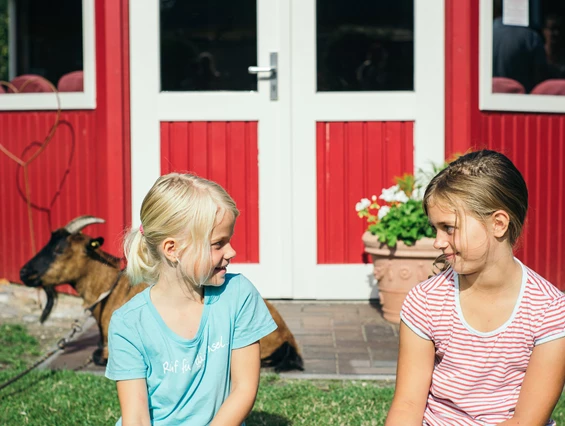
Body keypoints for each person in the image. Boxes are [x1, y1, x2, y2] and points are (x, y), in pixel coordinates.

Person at [385, 150, 565, 425]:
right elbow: (408, 405)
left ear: (498, 223)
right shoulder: (425, 302)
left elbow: (527, 421)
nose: (437, 241)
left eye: (449, 227)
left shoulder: (549, 311)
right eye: (435, 228)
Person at [105, 173, 277, 426]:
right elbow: (137, 419)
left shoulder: (238, 295)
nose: (231, 252)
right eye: (218, 244)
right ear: (172, 249)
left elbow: (244, 389)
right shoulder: (128, 324)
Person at [492, 0, 548, 92]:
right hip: (520, 101)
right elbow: (540, 78)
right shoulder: (530, 37)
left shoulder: (484, 34)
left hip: (490, 99)